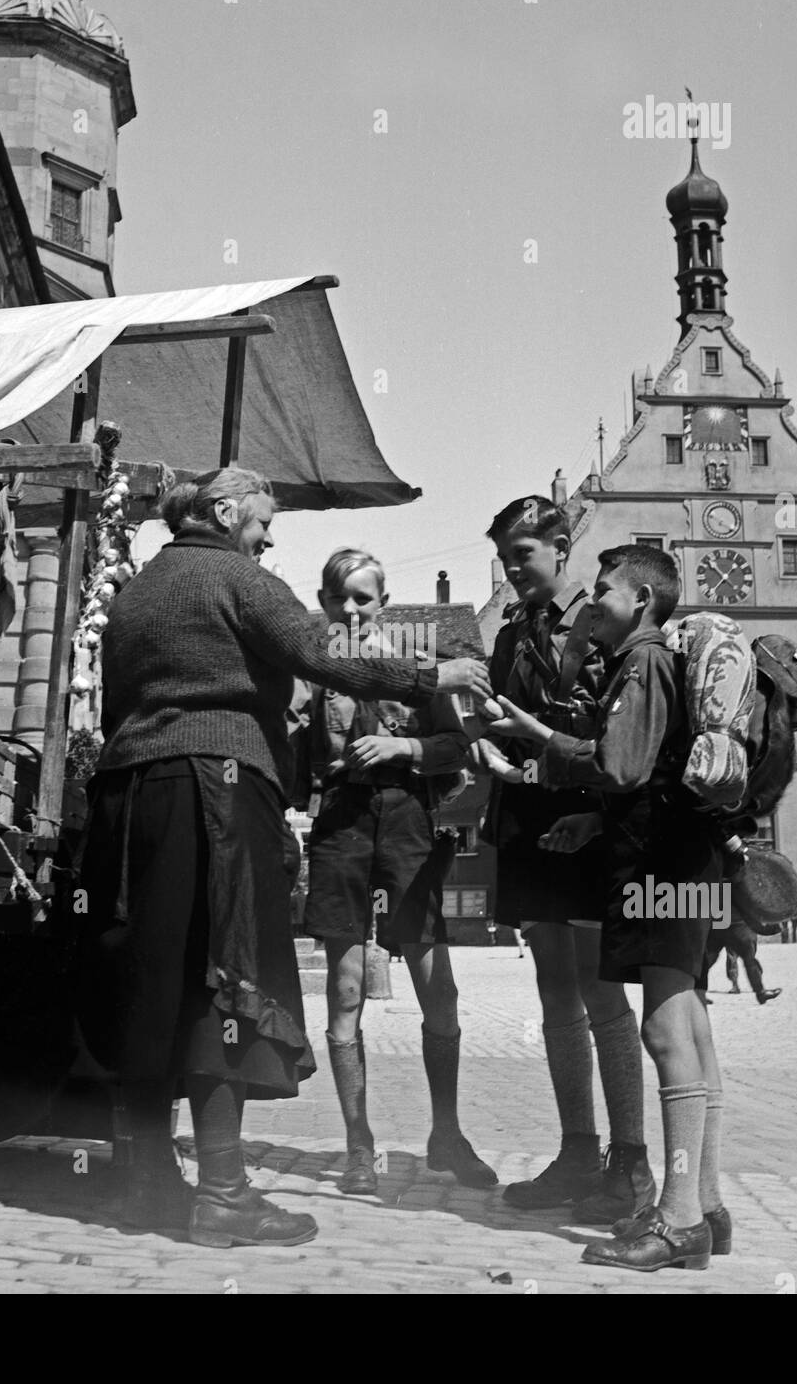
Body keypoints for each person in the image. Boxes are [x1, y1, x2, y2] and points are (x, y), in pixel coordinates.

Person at [77, 469, 491, 1248]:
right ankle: (226, 1195)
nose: (270, 539)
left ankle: (146, 1183)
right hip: (218, 796)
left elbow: (109, 707)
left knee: (153, 978)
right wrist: (429, 675)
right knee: (228, 977)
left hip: (130, 798)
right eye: (264, 523)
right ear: (226, 513)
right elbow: (324, 654)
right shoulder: (240, 579)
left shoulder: (134, 594)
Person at [490, 544, 726, 1272]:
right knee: (690, 1030)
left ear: (644, 602)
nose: (594, 603)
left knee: (662, 1031)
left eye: (606, 592)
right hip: (686, 857)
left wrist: (536, 737)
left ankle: (680, 1220)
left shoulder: (642, 660)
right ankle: (706, 1206)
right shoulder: (660, 661)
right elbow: (650, 771)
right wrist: (596, 819)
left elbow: (619, 765)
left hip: (657, 864)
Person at [469, 498, 654, 1226]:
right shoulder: (512, 631)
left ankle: (630, 1164)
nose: (514, 571)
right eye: (506, 558)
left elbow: (620, 736)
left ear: (560, 546)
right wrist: (485, 746)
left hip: (586, 815)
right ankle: (579, 1151)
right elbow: (502, 716)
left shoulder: (600, 621)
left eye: (524, 554)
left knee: (601, 990)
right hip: (528, 814)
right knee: (554, 991)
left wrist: (596, 808)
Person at [292, 549, 496, 1196]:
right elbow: (292, 748)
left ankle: (447, 1134)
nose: (351, 610)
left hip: (408, 822)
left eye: (363, 599)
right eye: (339, 599)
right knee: (345, 991)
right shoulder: (314, 671)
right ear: (325, 603)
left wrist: (404, 745)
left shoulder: (415, 665)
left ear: (383, 602)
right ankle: (358, 1147)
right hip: (343, 825)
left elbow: (454, 746)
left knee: (439, 986)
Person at [709, 916, 781, 1003]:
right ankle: (743, 987)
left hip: (738, 927)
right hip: (726, 925)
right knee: (719, 958)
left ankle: (760, 991)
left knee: (748, 958)